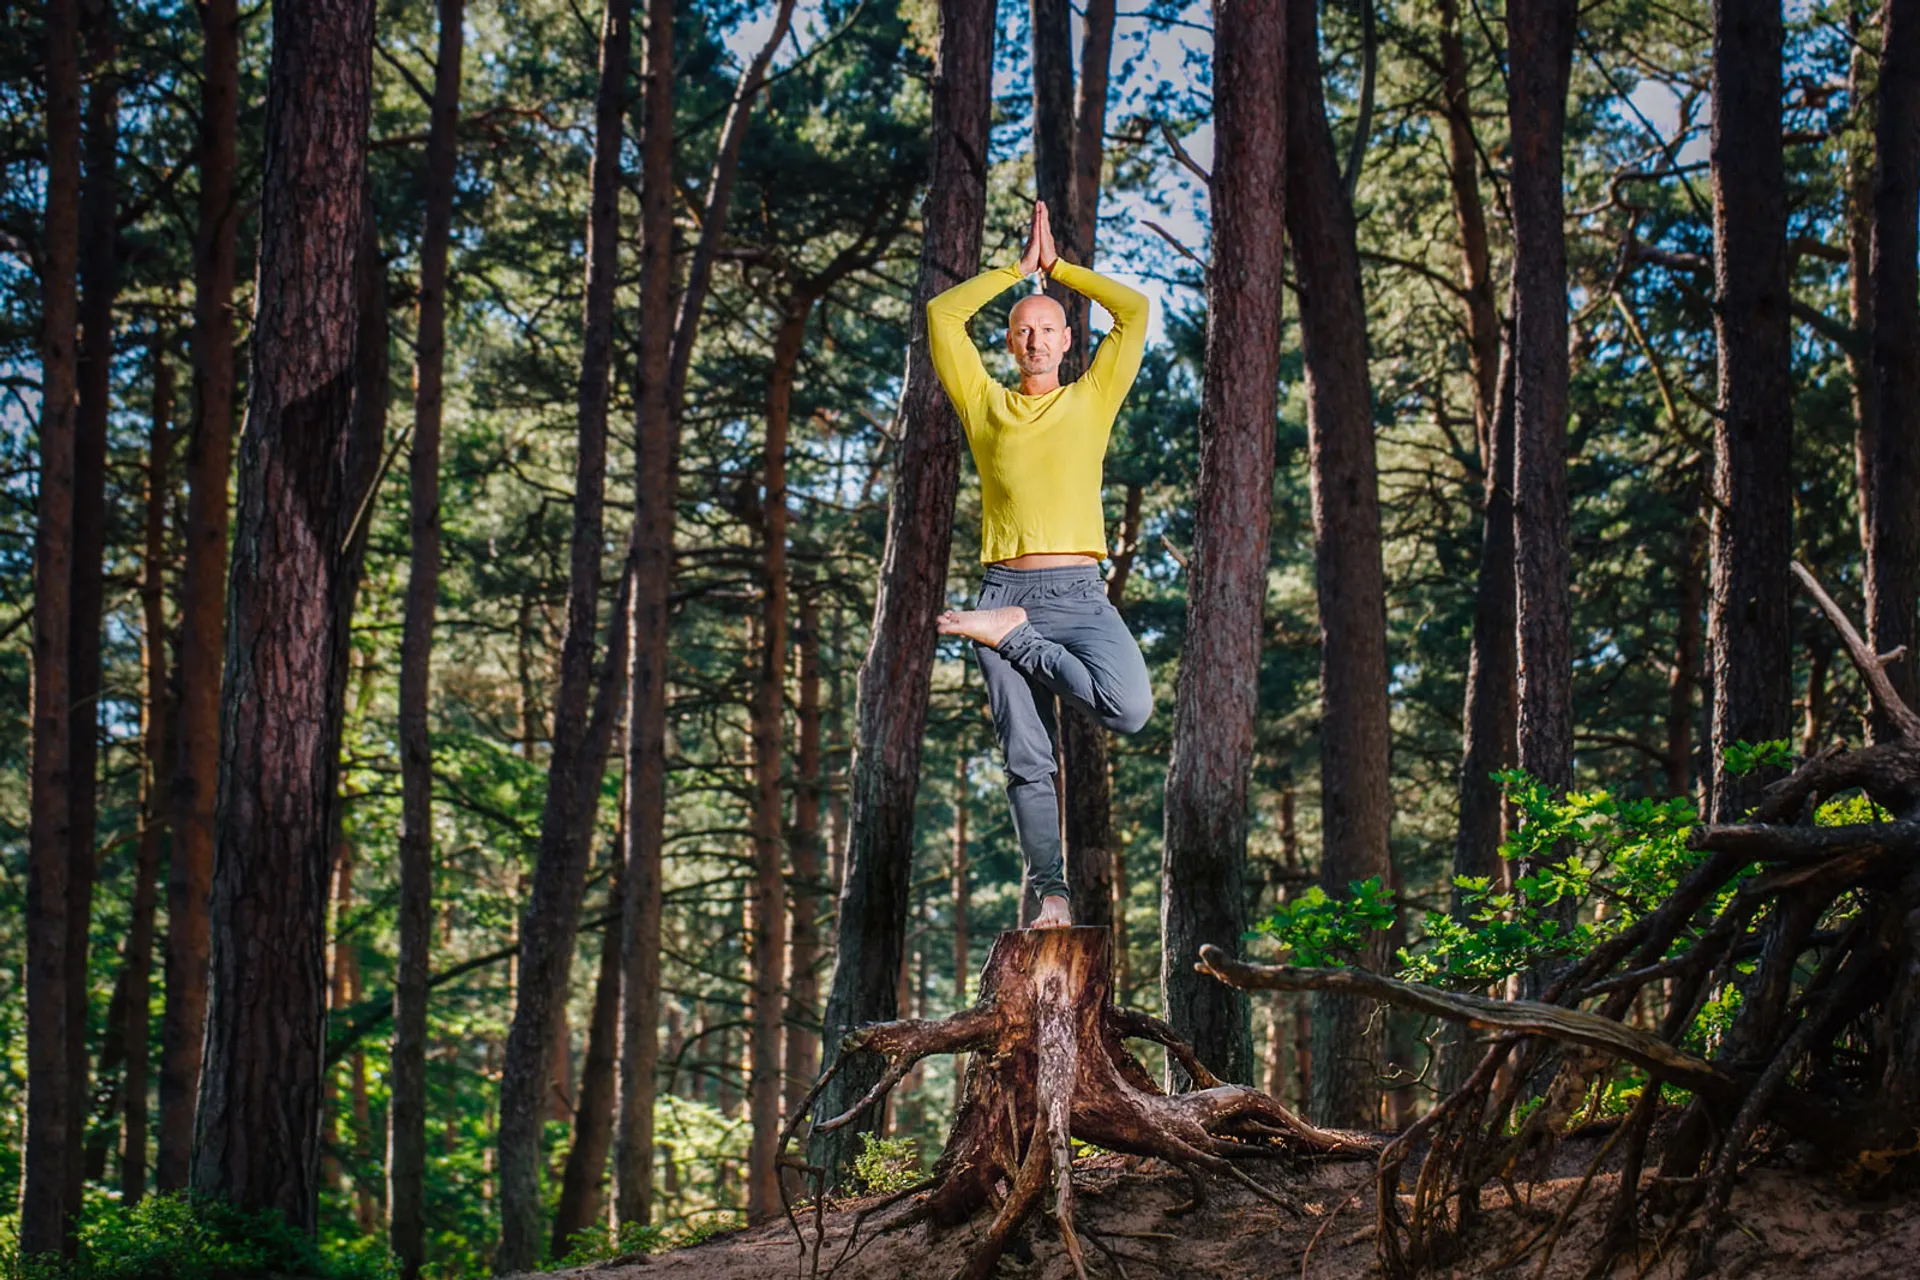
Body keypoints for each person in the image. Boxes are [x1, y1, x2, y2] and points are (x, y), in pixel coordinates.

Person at [930, 199, 1153, 930]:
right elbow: (941, 317)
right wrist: (1015, 271)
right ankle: (1051, 893)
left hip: (1078, 598)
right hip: (1006, 584)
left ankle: (1007, 633)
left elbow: (1135, 309)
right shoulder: (983, 402)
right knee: (1027, 754)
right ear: (1009, 341)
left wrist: (1060, 271)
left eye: (1047, 328)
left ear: (1066, 341)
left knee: (1131, 707)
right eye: (1023, 330)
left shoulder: (1093, 396)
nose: (1034, 339)